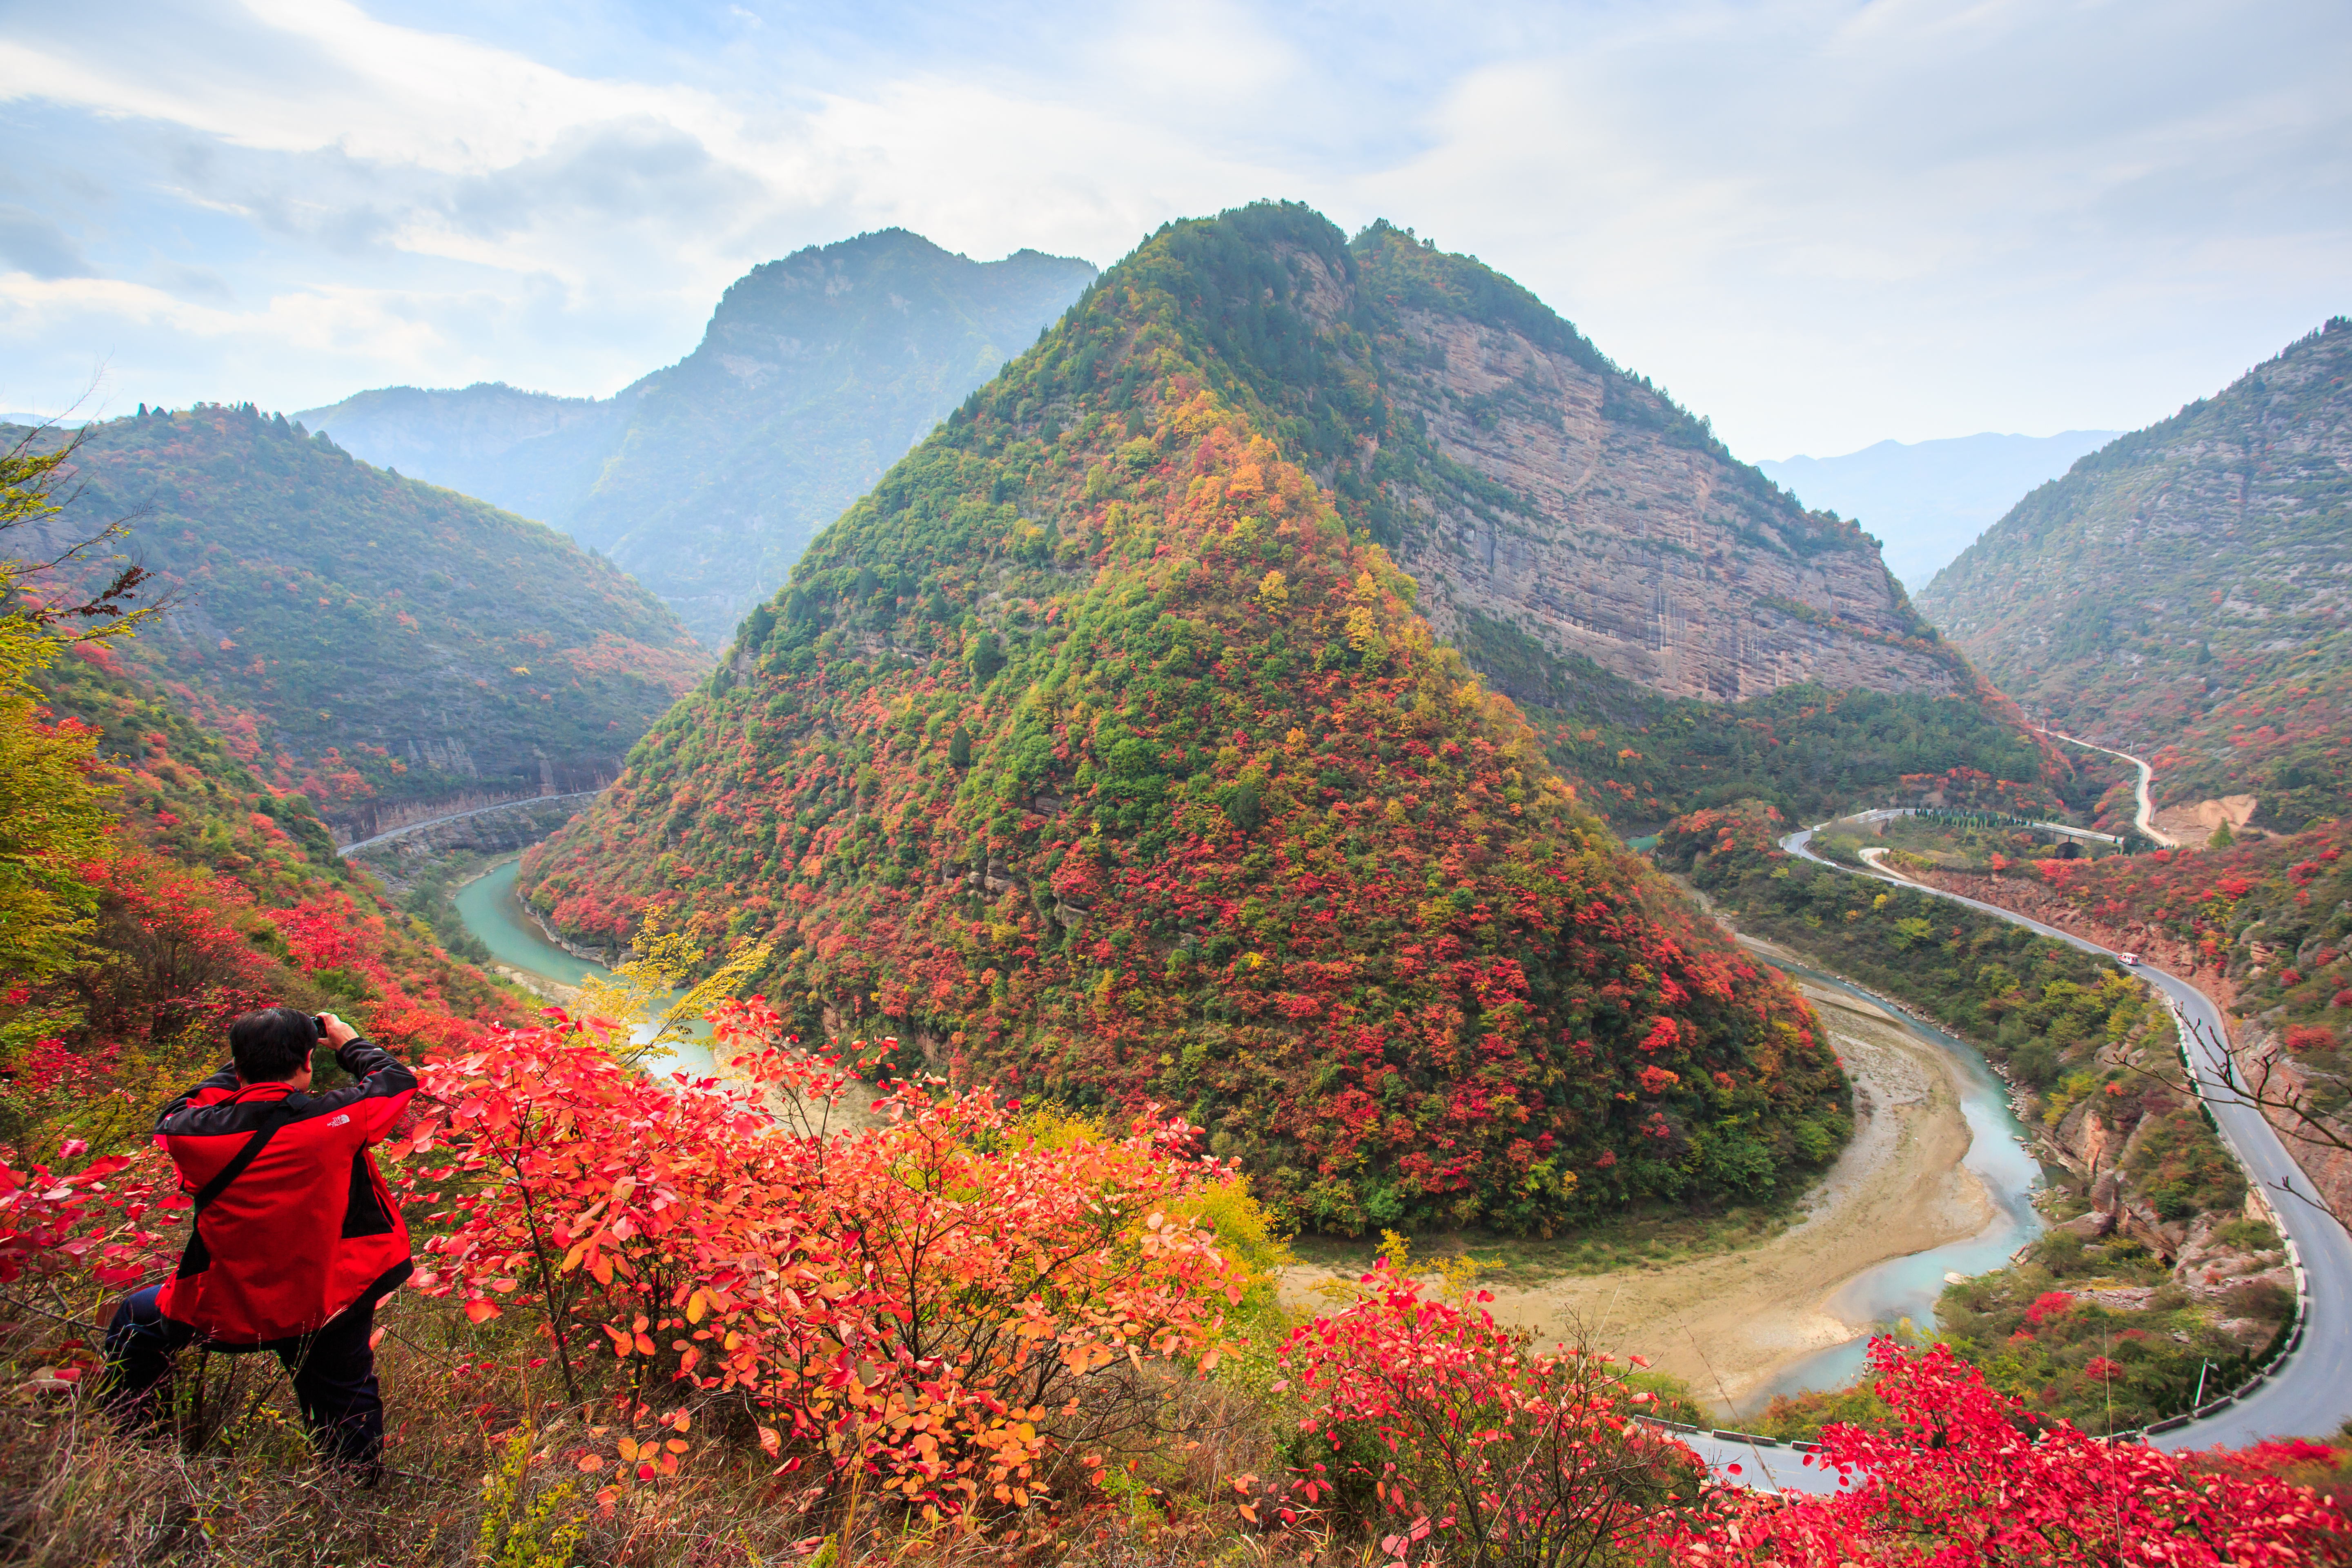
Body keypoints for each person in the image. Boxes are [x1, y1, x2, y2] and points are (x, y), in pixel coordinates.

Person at [101, 1007, 416, 1476]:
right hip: (328, 1296)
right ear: (308, 1061)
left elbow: (188, 1105)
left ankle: (136, 1442)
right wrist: (348, 1042)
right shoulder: (337, 1120)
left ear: (239, 1066)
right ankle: (354, 1490)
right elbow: (395, 1080)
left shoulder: (191, 1133)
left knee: (136, 1320)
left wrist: (249, 1061)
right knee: (344, 1392)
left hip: (227, 1301)